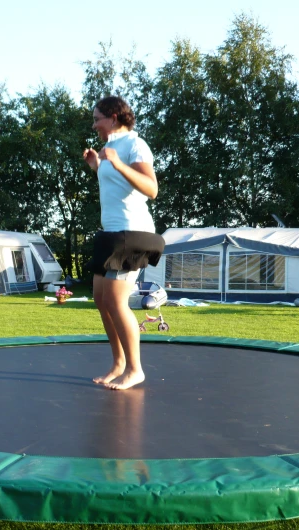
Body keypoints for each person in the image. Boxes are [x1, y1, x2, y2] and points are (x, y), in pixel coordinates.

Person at [82, 96, 165, 391]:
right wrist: (97, 166)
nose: (94, 125)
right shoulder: (108, 149)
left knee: (117, 302)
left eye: (97, 119)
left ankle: (135, 369)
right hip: (111, 232)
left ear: (114, 117)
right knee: (101, 300)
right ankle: (118, 364)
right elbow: (117, 188)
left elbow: (151, 188)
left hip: (133, 233)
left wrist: (116, 164)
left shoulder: (134, 145)